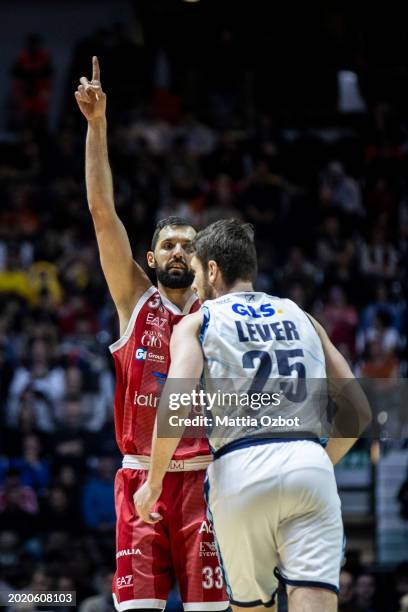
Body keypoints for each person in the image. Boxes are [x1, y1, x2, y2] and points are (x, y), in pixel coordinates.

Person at [134, 219, 370, 612]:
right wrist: (318, 462)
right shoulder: (302, 316)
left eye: (195, 275)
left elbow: (175, 403)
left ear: (211, 270)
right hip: (308, 461)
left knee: (252, 606)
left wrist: (154, 481)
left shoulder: (198, 321)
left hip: (240, 468)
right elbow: (359, 411)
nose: (193, 287)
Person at [75, 58, 228, 612]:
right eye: (168, 245)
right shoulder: (134, 300)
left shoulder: (220, 309)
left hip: (206, 480)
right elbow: (100, 211)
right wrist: (98, 125)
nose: (179, 251)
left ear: (203, 258)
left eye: (189, 245)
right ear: (151, 257)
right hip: (140, 480)